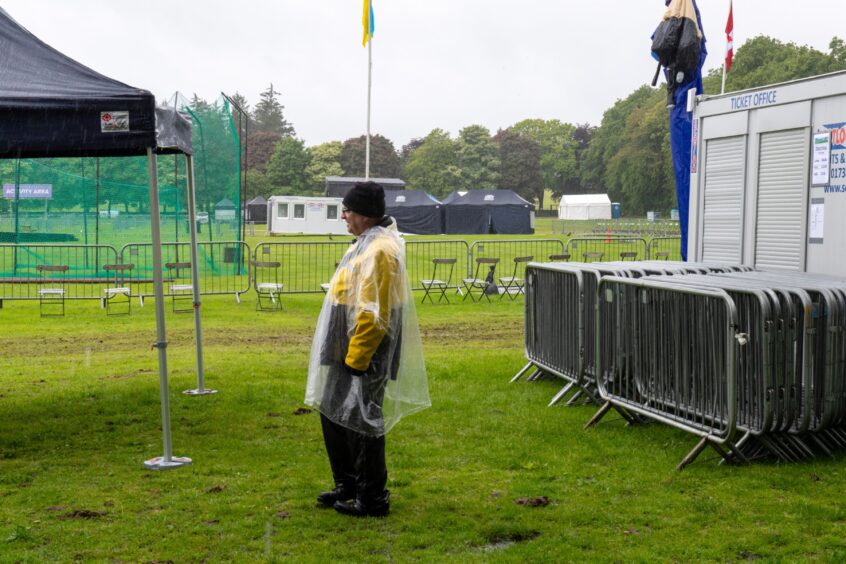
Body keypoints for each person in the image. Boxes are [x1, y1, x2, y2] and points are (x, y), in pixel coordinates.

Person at [305, 181, 430, 517]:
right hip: (345, 344)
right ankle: (347, 484)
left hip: (363, 349)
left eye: (347, 210)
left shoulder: (381, 251)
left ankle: (372, 497)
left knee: (361, 420)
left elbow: (375, 314)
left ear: (363, 214)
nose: (343, 215)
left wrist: (358, 359)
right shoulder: (365, 243)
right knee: (333, 412)